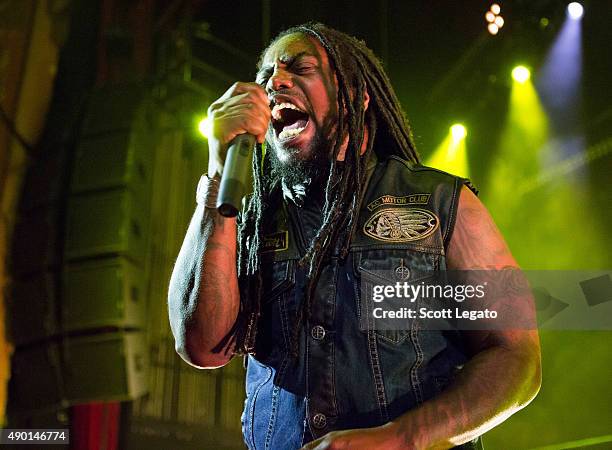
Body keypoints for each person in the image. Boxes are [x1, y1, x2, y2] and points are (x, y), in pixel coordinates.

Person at [168, 23, 541, 450]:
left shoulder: (440, 202)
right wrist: (217, 177)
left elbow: (517, 356)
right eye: (265, 76)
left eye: (299, 67)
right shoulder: (246, 223)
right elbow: (201, 346)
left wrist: (400, 439)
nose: (275, 82)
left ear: (357, 96)